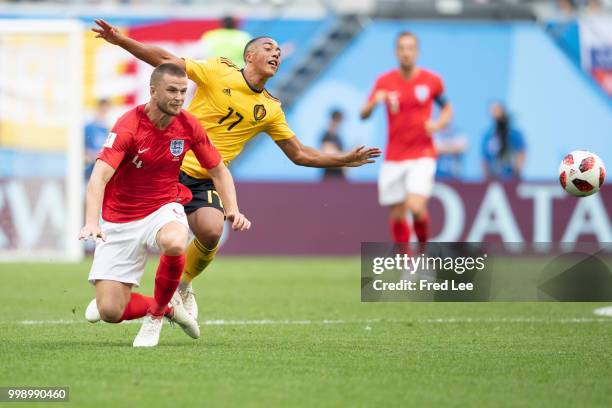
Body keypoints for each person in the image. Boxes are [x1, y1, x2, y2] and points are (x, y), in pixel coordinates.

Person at [92, 19, 381, 319]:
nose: (277, 53)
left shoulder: (270, 109)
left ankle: (182, 286)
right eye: (269, 47)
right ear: (249, 56)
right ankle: (114, 294)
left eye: (280, 51)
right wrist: (121, 41)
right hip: (169, 167)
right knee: (153, 234)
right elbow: (167, 62)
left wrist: (343, 160)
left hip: (207, 177)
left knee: (212, 229)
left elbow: (299, 153)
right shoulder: (219, 71)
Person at [79, 63, 251, 348]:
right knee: (110, 311)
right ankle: (170, 307)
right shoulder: (128, 125)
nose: (179, 97)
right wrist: (91, 222)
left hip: (164, 205)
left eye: (183, 91)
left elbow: (219, 170)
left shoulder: (188, 124)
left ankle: (155, 317)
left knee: (174, 241)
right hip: (119, 217)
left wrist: (232, 208)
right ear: (152, 91)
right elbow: (99, 177)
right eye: (172, 90)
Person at [360, 31, 452, 244]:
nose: (406, 53)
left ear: (417, 52)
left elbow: (447, 108)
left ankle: (423, 255)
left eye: (410, 48)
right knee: (398, 214)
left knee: (416, 207)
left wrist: (437, 124)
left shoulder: (432, 81)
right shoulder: (384, 81)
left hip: (423, 153)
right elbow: (363, 114)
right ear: (396, 52)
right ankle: (407, 266)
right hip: (394, 156)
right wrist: (375, 102)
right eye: (402, 48)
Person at [481, 102, 526, 181]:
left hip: (511, 178)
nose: (494, 114)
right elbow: (484, 159)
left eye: (497, 110)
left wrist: (517, 172)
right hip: (494, 178)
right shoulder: (488, 136)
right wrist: (487, 177)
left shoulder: (514, 134)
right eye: (492, 111)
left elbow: (521, 153)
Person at [84, 99, 111, 180]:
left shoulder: (108, 128)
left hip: (102, 163)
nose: (104, 111)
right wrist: (89, 155)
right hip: (90, 163)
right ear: (98, 108)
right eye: (102, 108)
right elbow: (83, 145)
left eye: (106, 109)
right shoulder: (89, 127)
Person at [320, 109, 346, 180]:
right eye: (339, 120)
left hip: (340, 177)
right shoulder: (326, 136)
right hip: (330, 177)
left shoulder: (338, 137)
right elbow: (329, 156)